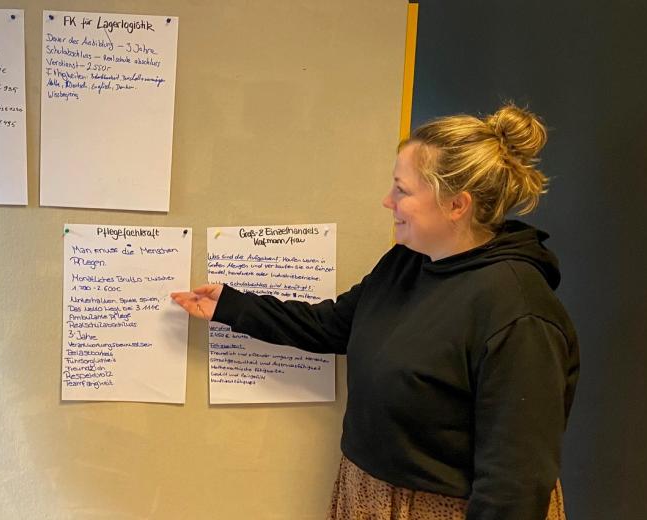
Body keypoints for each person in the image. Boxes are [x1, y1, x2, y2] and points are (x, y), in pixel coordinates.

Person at [172, 105, 578, 520]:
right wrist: (230, 306)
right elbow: (332, 326)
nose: (387, 201)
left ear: (456, 205)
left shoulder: (520, 314)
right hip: (368, 495)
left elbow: (516, 484)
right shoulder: (407, 262)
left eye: (402, 190)